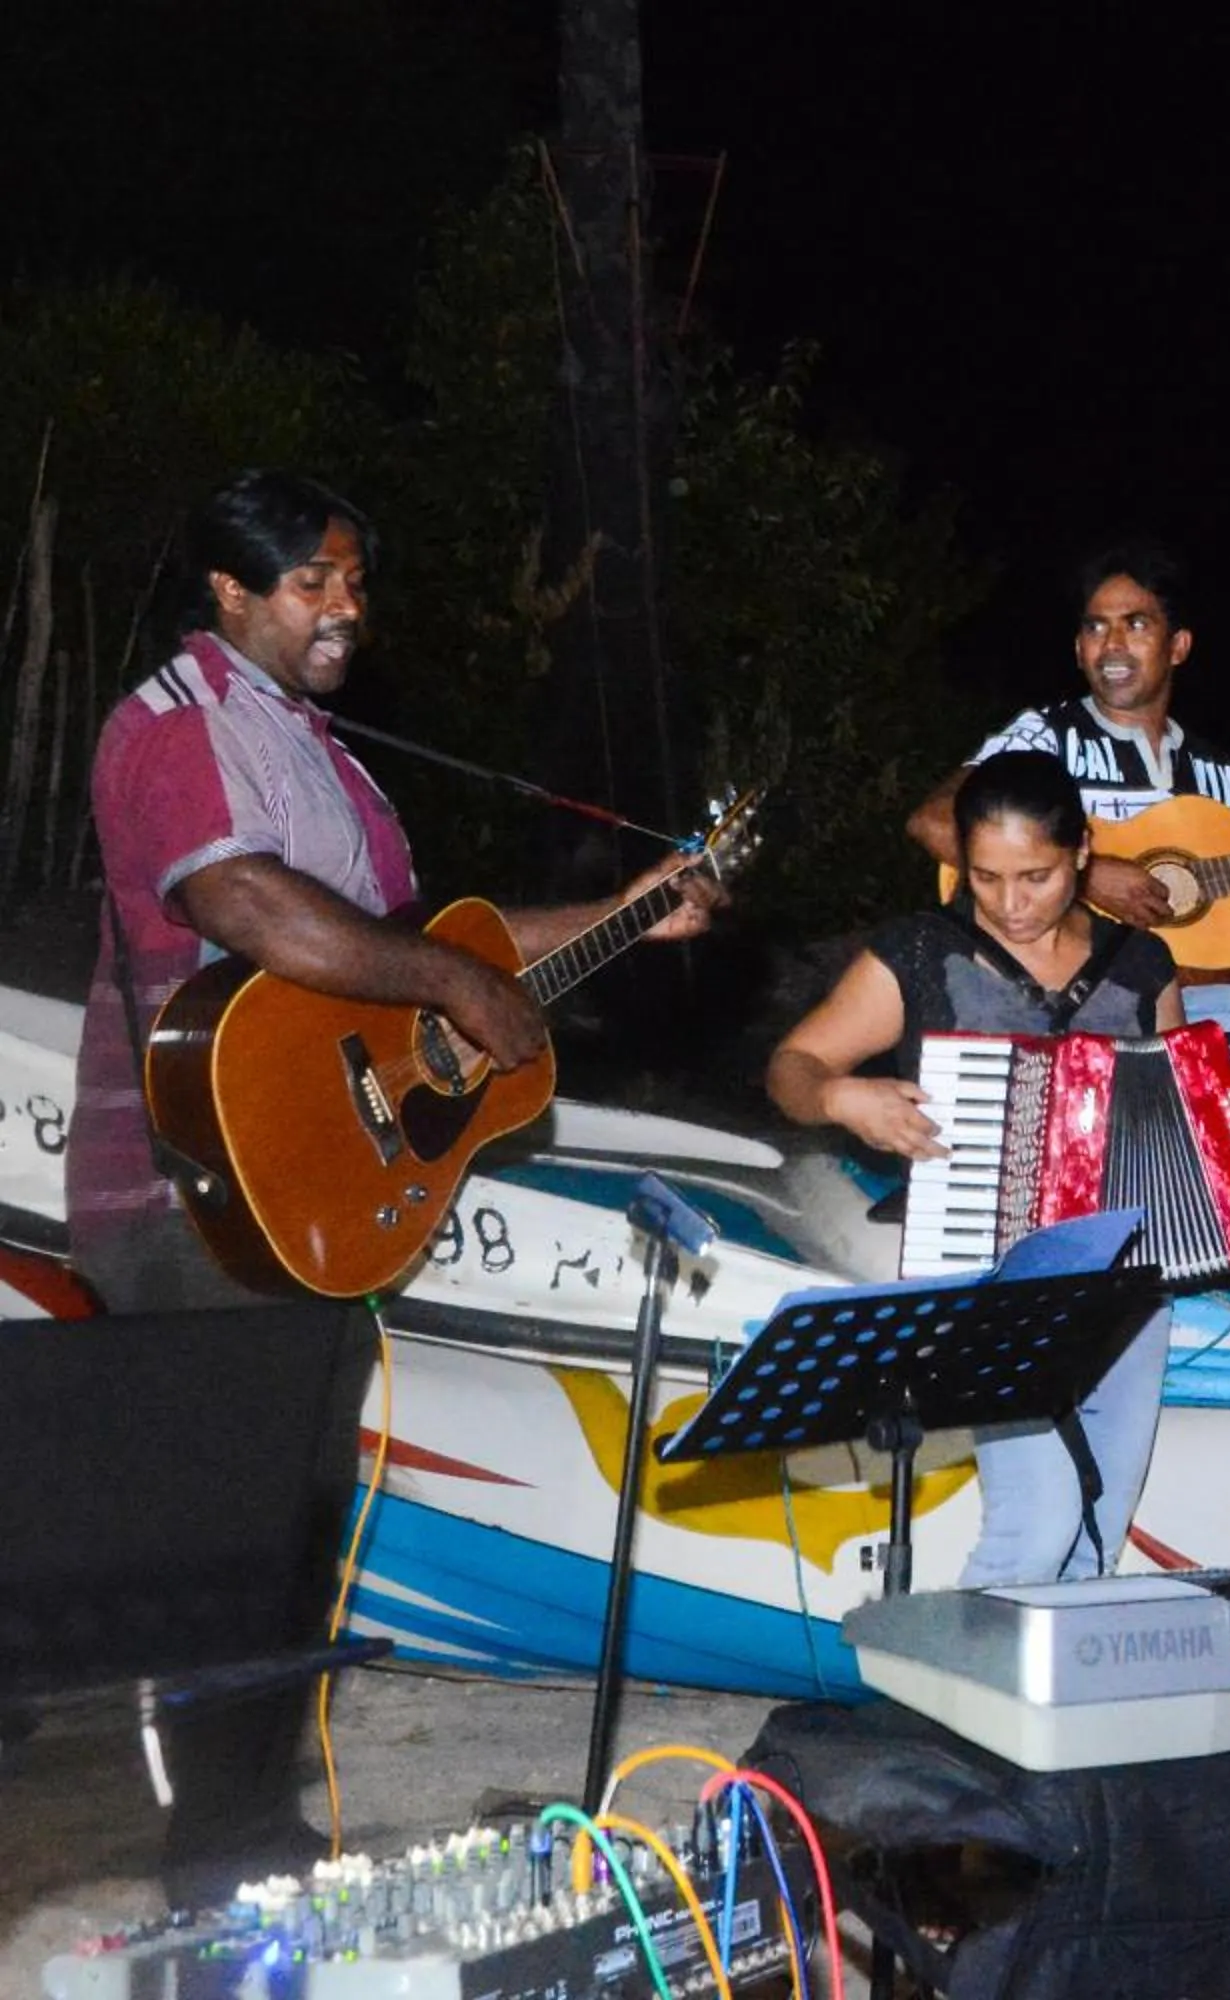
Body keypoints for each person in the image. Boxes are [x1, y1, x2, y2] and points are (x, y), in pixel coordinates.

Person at [68, 468, 718, 1904]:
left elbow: (429, 953)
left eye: (355, 576)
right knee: (214, 1547)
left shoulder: (328, 756)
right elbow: (240, 904)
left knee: (289, 1539)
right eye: (316, 579)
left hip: (311, 1198)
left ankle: (247, 1834)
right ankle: (203, 1860)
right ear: (232, 593)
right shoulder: (174, 729)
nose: (347, 602)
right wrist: (445, 976)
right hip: (195, 1188)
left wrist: (625, 916)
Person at [773, 750, 1230, 1585]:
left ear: (1082, 854)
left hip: (1125, 1275)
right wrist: (841, 1099)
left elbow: (1185, 1100)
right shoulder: (919, 952)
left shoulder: (1140, 961)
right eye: (986, 878)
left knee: (1095, 1536)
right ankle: (951, 1707)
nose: (1010, 904)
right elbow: (793, 1066)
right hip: (988, 1276)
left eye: (1036, 877)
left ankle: (1041, 1711)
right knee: (1035, 1531)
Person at [906, 542, 1230, 1268]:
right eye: (1095, 626)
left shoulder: (1219, 775)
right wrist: (1090, 879)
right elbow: (933, 823)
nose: (1111, 643)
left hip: (1160, 1007)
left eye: (1135, 624)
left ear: (1178, 645)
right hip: (1033, 994)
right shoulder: (1045, 736)